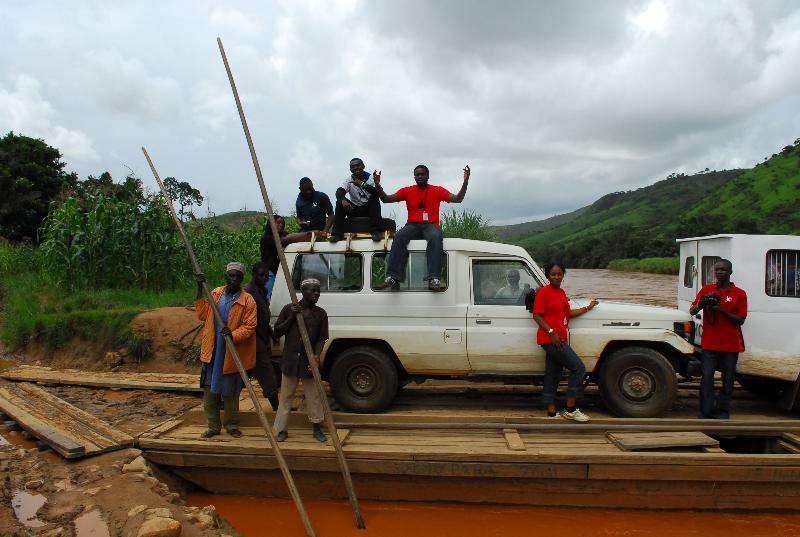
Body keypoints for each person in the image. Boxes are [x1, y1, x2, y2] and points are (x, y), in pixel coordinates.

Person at [375, 164, 470, 291]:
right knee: (399, 236)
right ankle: (392, 277)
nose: (419, 176)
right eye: (417, 175)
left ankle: (434, 279)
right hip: (412, 225)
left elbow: (458, 199)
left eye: (422, 174)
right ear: (414, 177)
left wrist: (465, 182)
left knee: (436, 237)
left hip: (431, 225)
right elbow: (386, 199)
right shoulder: (407, 190)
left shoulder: (437, 190)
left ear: (428, 176)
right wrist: (377, 185)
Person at [195, 262, 257, 439]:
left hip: (231, 353)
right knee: (209, 393)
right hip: (213, 351)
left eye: (238, 276)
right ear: (226, 276)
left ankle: (232, 425)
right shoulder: (215, 293)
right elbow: (201, 315)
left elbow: (250, 326)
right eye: (231, 275)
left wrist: (233, 334)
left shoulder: (248, 300)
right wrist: (199, 289)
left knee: (230, 393)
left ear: (242, 279)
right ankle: (213, 426)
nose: (234, 279)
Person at [532, 262, 598, 422]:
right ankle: (570, 409)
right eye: (553, 274)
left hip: (559, 338)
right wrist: (551, 333)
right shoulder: (543, 292)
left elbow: (568, 314)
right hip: (550, 339)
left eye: (559, 274)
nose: (556, 277)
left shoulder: (561, 292)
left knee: (553, 373)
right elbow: (537, 315)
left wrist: (588, 307)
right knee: (578, 368)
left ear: (563, 275)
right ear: (548, 276)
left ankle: (551, 411)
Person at [689, 259, 747, 419]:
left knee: (728, 380)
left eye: (723, 269)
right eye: (717, 269)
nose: (720, 272)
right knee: (707, 378)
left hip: (731, 344)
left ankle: (722, 411)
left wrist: (721, 311)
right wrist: (701, 304)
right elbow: (692, 311)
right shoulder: (707, 290)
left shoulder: (739, 293)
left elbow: (740, 320)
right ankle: (706, 412)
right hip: (710, 343)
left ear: (730, 272)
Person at [272, 278, 328, 443]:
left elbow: (322, 338)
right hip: (290, 361)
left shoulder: (320, 314)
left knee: (314, 396)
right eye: (312, 290)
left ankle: (317, 427)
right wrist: (292, 316)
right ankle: (281, 429)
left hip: (308, 361)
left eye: (318, 291)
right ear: (303, 292)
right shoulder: (289, 309)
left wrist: (316, 355)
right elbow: (277, 332)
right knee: (286, 396)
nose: (316, 294)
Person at [243, 262, 280, 411]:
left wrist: (271, 333)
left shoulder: (262, 291)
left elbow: (263, 316)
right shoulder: (247, 292)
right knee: (266, 372)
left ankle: (224, 401)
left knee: (245, 372)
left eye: (266, 276)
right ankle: (276, 407)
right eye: (261, 275)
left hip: (262, 336)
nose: (264, 278)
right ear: (253, 275)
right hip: (252, 338)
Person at [330, 157, 384, 242]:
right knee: (339, 202)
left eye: (358, 165)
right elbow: (339, 191)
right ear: (350, 169)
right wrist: (343, 200)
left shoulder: (372, 178)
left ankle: (376, 232)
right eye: (353, 166)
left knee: (374, 198)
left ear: (363, 166)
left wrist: (362, 184)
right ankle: (337, 234)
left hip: (369, 211)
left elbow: (378, 193)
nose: (355, 168)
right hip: (353, 210)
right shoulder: (349, 180)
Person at [259, 215, 311, 301]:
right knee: (269, 297)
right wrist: (308, 234)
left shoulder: (283, 235)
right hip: (269, 273)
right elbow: (285, 240)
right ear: (271, 224)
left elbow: (291, 236)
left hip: (280, 273)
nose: (280, 225)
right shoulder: (267, 238)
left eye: (282, 224)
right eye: (278, 223)